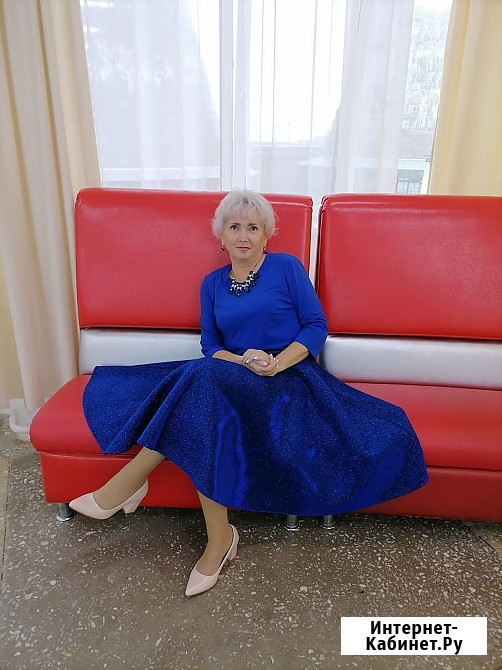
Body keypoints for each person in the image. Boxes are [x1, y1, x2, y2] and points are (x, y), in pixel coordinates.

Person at [70, 189, 428, 597]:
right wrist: (243, 363)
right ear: (220, 236)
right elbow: (211, 346)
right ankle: (218, 538)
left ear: (266, 235)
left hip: (288, 381)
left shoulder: (287, 268)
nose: (244, 236)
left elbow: (316, 326)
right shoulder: (211, 284)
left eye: (253, 228)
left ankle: (135, 485)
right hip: (233, 376)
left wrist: (275, 363)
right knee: (206, 390)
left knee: (201, 389)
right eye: (235, 227)